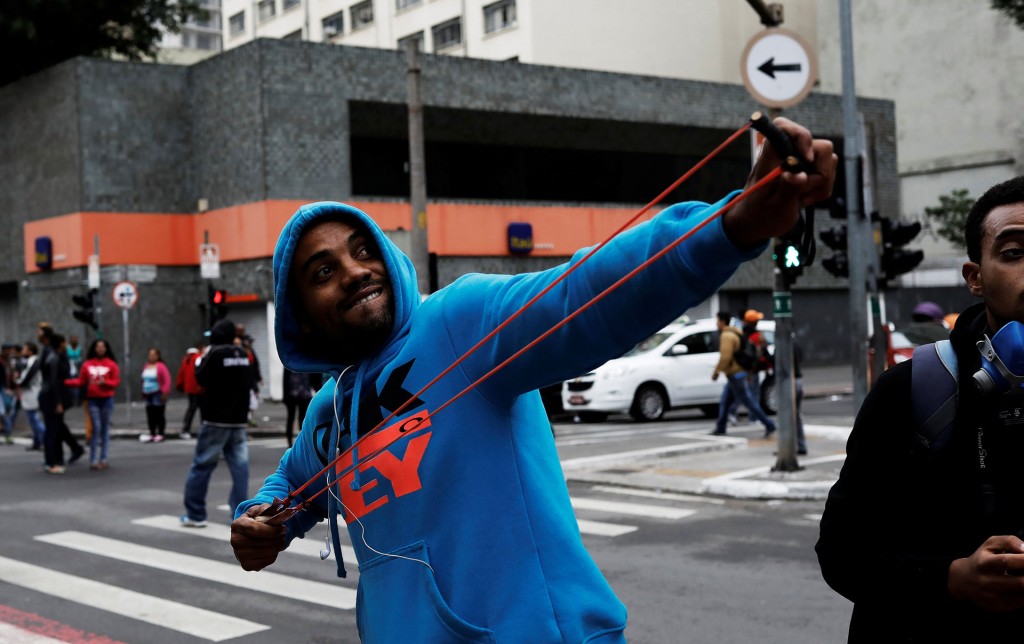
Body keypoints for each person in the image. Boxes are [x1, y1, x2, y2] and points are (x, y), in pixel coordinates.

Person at [228, 118, 835, 642]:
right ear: (301, 315)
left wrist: (730, 225)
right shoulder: (330, 411)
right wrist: (263, 519)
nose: (356, 271)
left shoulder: (456, 324)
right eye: (324, 271)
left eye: (364, 250)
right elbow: (298, 483)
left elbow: (583, 293)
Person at [816, 176, 1024, 640]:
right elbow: (840, 552)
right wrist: (950, 579)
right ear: (976, 277)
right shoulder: (913, 390)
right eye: (1013, 252)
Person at [181, 318, 255, 528]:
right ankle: (239, 514)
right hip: (239, 421)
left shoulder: (215, 352)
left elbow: (200, 377)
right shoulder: (242, 354)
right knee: (240, 468)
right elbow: (249, 382)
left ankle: (196, 514)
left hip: (215, 419)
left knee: (202, 466)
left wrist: (204, 356)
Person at [711, 311, 776, 437]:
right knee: (725, 401)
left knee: (749, 402)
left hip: (736, 374)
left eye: (717, 321)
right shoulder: (736, 332)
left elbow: (725, 357)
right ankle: (720, 427)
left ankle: (769, 424)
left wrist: (716, 372)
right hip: (737, 374)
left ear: (723, 321)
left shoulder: (727, 336)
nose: (716, 324)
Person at [64, 339, 120, 471]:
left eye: (103, 347)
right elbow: (80, 381)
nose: (100, 349)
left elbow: (116, 382)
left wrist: (105, 383)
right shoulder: (87, 364)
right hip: (92, 399)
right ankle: (93, 459)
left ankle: (104, 458)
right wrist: (65, 382)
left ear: (106, 349)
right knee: (96, 428)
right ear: (94, 349)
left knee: (105, 428)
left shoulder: (112, 364)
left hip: (107, 399)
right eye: (98, 347)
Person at [17, 342, 45, 451]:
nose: (22, 351)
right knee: (32, 419)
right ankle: (37, 442)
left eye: (24, 349)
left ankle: (45, 441)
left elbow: (27, 377)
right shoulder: (30, 361)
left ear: (30, 351)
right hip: (29, 393)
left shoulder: (34, 361)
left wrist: (18, 382)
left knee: (34, 419)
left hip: (33, 392)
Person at [139, 348, 171, 443]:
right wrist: (143, 392)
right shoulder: (146, 366)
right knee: (150, 415)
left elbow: (167, 380)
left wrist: (165, 392)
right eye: (150, 355)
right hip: (147, 394)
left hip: (157, 393)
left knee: (159, 414)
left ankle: (161, 433)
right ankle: (152, 433)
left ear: (158, 356)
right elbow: (143, 380)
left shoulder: (161, 366)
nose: (151, 357)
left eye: (154, 355)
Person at [281, 367, 317, 446]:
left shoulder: (306, 362)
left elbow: (313, 378)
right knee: (291, 418)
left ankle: (302, 441)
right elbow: (285, 380)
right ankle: (290, 441)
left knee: (303, 419)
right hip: (292, 396)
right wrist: (285, 397)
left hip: (304, 395)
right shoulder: (290, 363)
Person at [175, 343, 204, 440]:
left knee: (191, 409)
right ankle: (203, 430)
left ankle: (185, 429)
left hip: (190, 388)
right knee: (203, 410)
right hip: (199, 388)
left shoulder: (186, 359)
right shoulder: (199, 358)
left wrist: (180, 385)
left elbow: (181, 373)